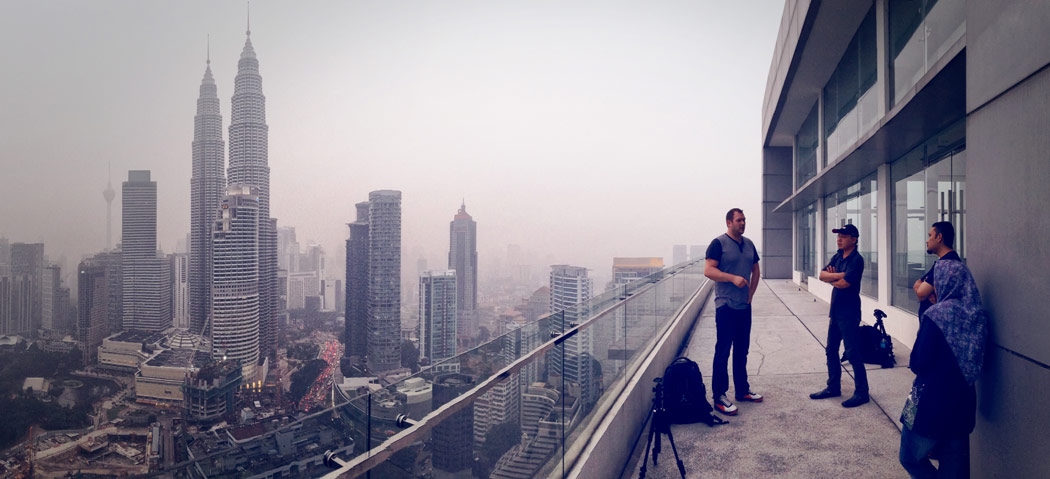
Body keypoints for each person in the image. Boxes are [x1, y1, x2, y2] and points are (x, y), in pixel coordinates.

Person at [899, 255, 988, 478]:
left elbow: (918, 362)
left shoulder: (937, 314)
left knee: (909, 457)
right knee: (954, 467)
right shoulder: (977, 315)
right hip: (963, 403)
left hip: (931, 403)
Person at [703, 208, 762, 416]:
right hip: (725, 305)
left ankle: (742, 390)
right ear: (729, 222)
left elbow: (756, 270)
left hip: (744, 306)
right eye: (739, 220)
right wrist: (732, 278)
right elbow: (708, 270)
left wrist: (751, 294)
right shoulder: (718, 243)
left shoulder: (749, 244)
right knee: (723, 351)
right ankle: (719, 396)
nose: (743, 223)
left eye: (745, 220)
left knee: (742, 350)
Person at [810, 223, 869, 408]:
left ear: (854, 239)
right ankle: (833, 386)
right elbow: (821, 275)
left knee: (852, 352)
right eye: (838, 235)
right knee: (831, 350)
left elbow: (845, 284)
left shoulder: (856, 260)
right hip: (835, 310)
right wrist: (838, 276)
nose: (839, 238)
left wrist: (834, 277)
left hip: (849, 312)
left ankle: (862, 392)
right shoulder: (837, 256)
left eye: (843, 236)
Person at [914, 221, 961, 318]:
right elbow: (917, 284)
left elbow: (921, 293)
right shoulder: (943, 262)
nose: (927, 241)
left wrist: (927, 291)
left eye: (930, 236)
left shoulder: (947, 264)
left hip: (939, 325)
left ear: (939, 237)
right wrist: (931, 292)